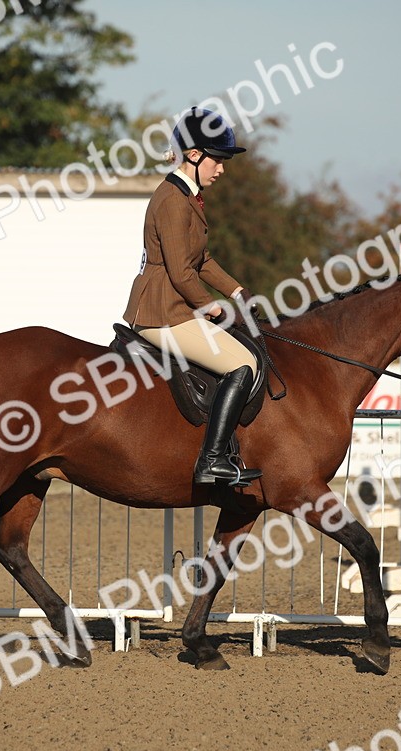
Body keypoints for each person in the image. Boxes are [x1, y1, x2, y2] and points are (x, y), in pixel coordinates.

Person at [122, 107, 261, 488]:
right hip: (160, 313)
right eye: (217, 160)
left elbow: (202, 260)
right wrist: (212, 305)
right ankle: (212, 460)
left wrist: (236, 290)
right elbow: (182, 272)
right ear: (195, 155)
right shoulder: (171, 200)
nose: (222, 169)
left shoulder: (187, 197)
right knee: (243, 364)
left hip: (175, 308)